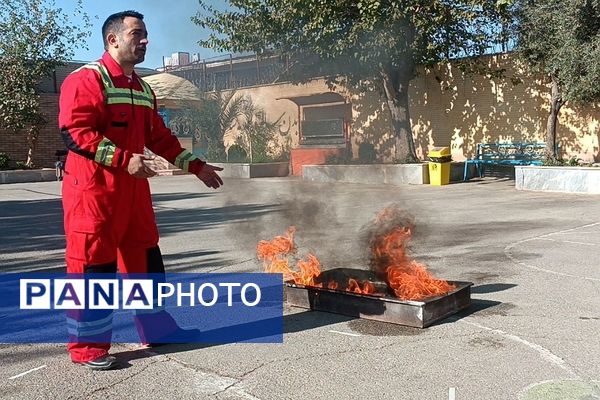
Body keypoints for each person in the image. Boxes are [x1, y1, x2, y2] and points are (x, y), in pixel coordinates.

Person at [58, 10, 223, 370]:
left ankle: (157, 327)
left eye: (146, 34)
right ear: (112, 39)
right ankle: (88, 347)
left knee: (147, 262)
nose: (145, 40)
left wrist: (197, 166)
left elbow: (159, 138)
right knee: (93, 267)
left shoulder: (143, 89)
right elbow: (75, 132)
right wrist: (122, 159)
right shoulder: (86, 80)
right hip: (93, 194)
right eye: (138, 34)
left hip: (134, 194)